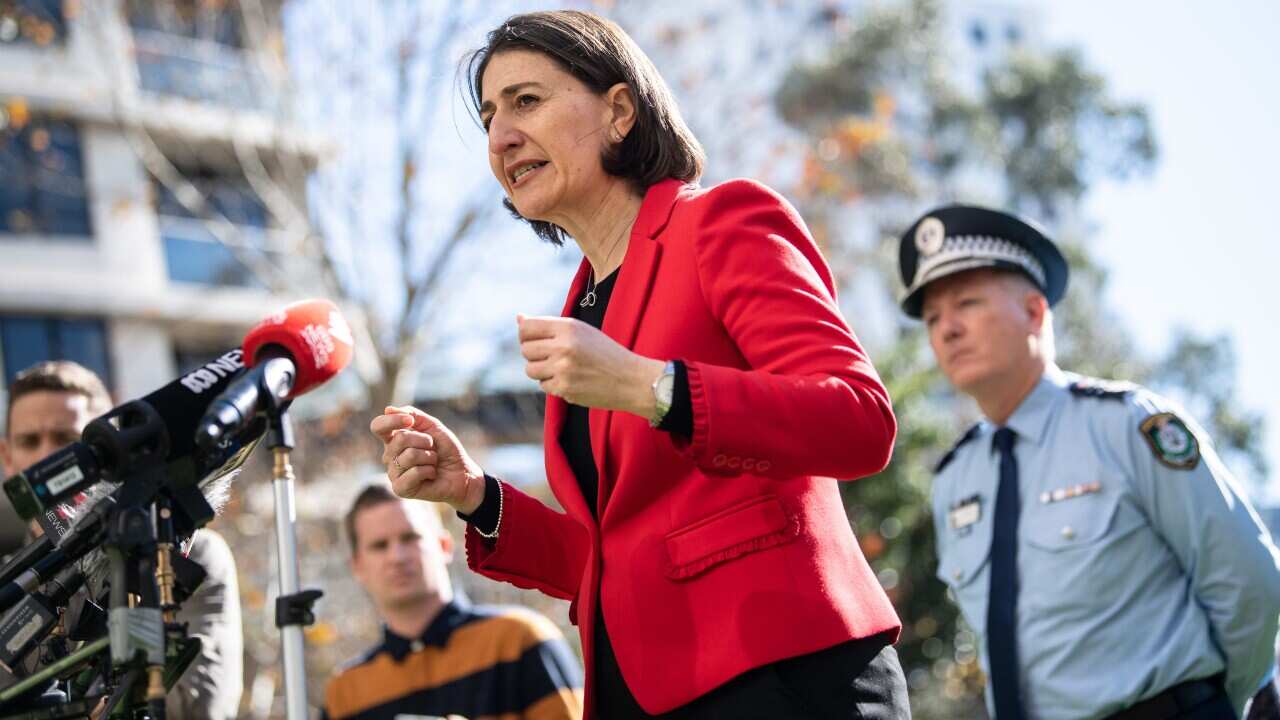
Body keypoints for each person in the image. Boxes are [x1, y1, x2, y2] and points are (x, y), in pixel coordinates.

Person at [370, 10, 907, 720]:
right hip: (643, 695)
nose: (500, 138)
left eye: (526, 101)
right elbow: (617, 564)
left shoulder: (722, 223)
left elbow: (858, 421)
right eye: (490, 117)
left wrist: (653, 389)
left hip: (782, 677)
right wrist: (475, 494)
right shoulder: (582, 307)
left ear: (619, 111)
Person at [897, 204, 1280, 719]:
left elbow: (1249, 582)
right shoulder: (954, 480)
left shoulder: (1127, 425)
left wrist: (1215, 702)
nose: (947, 330)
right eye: (932, 318)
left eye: (966, 303)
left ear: (1034, 312)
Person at [0, 360, 244, 720]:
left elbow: (195, 706)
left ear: (111, 450)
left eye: (67, 440)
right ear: (7, 458)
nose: (47, 457)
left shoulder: (190, 555)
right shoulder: (8, 585)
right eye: (29, 441)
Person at [322, 485, 583, 720]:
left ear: (444, 545)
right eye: (380, 546)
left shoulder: (519, 639)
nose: (397, 557)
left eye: (410, 537)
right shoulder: (345, 694)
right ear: (357, 566)